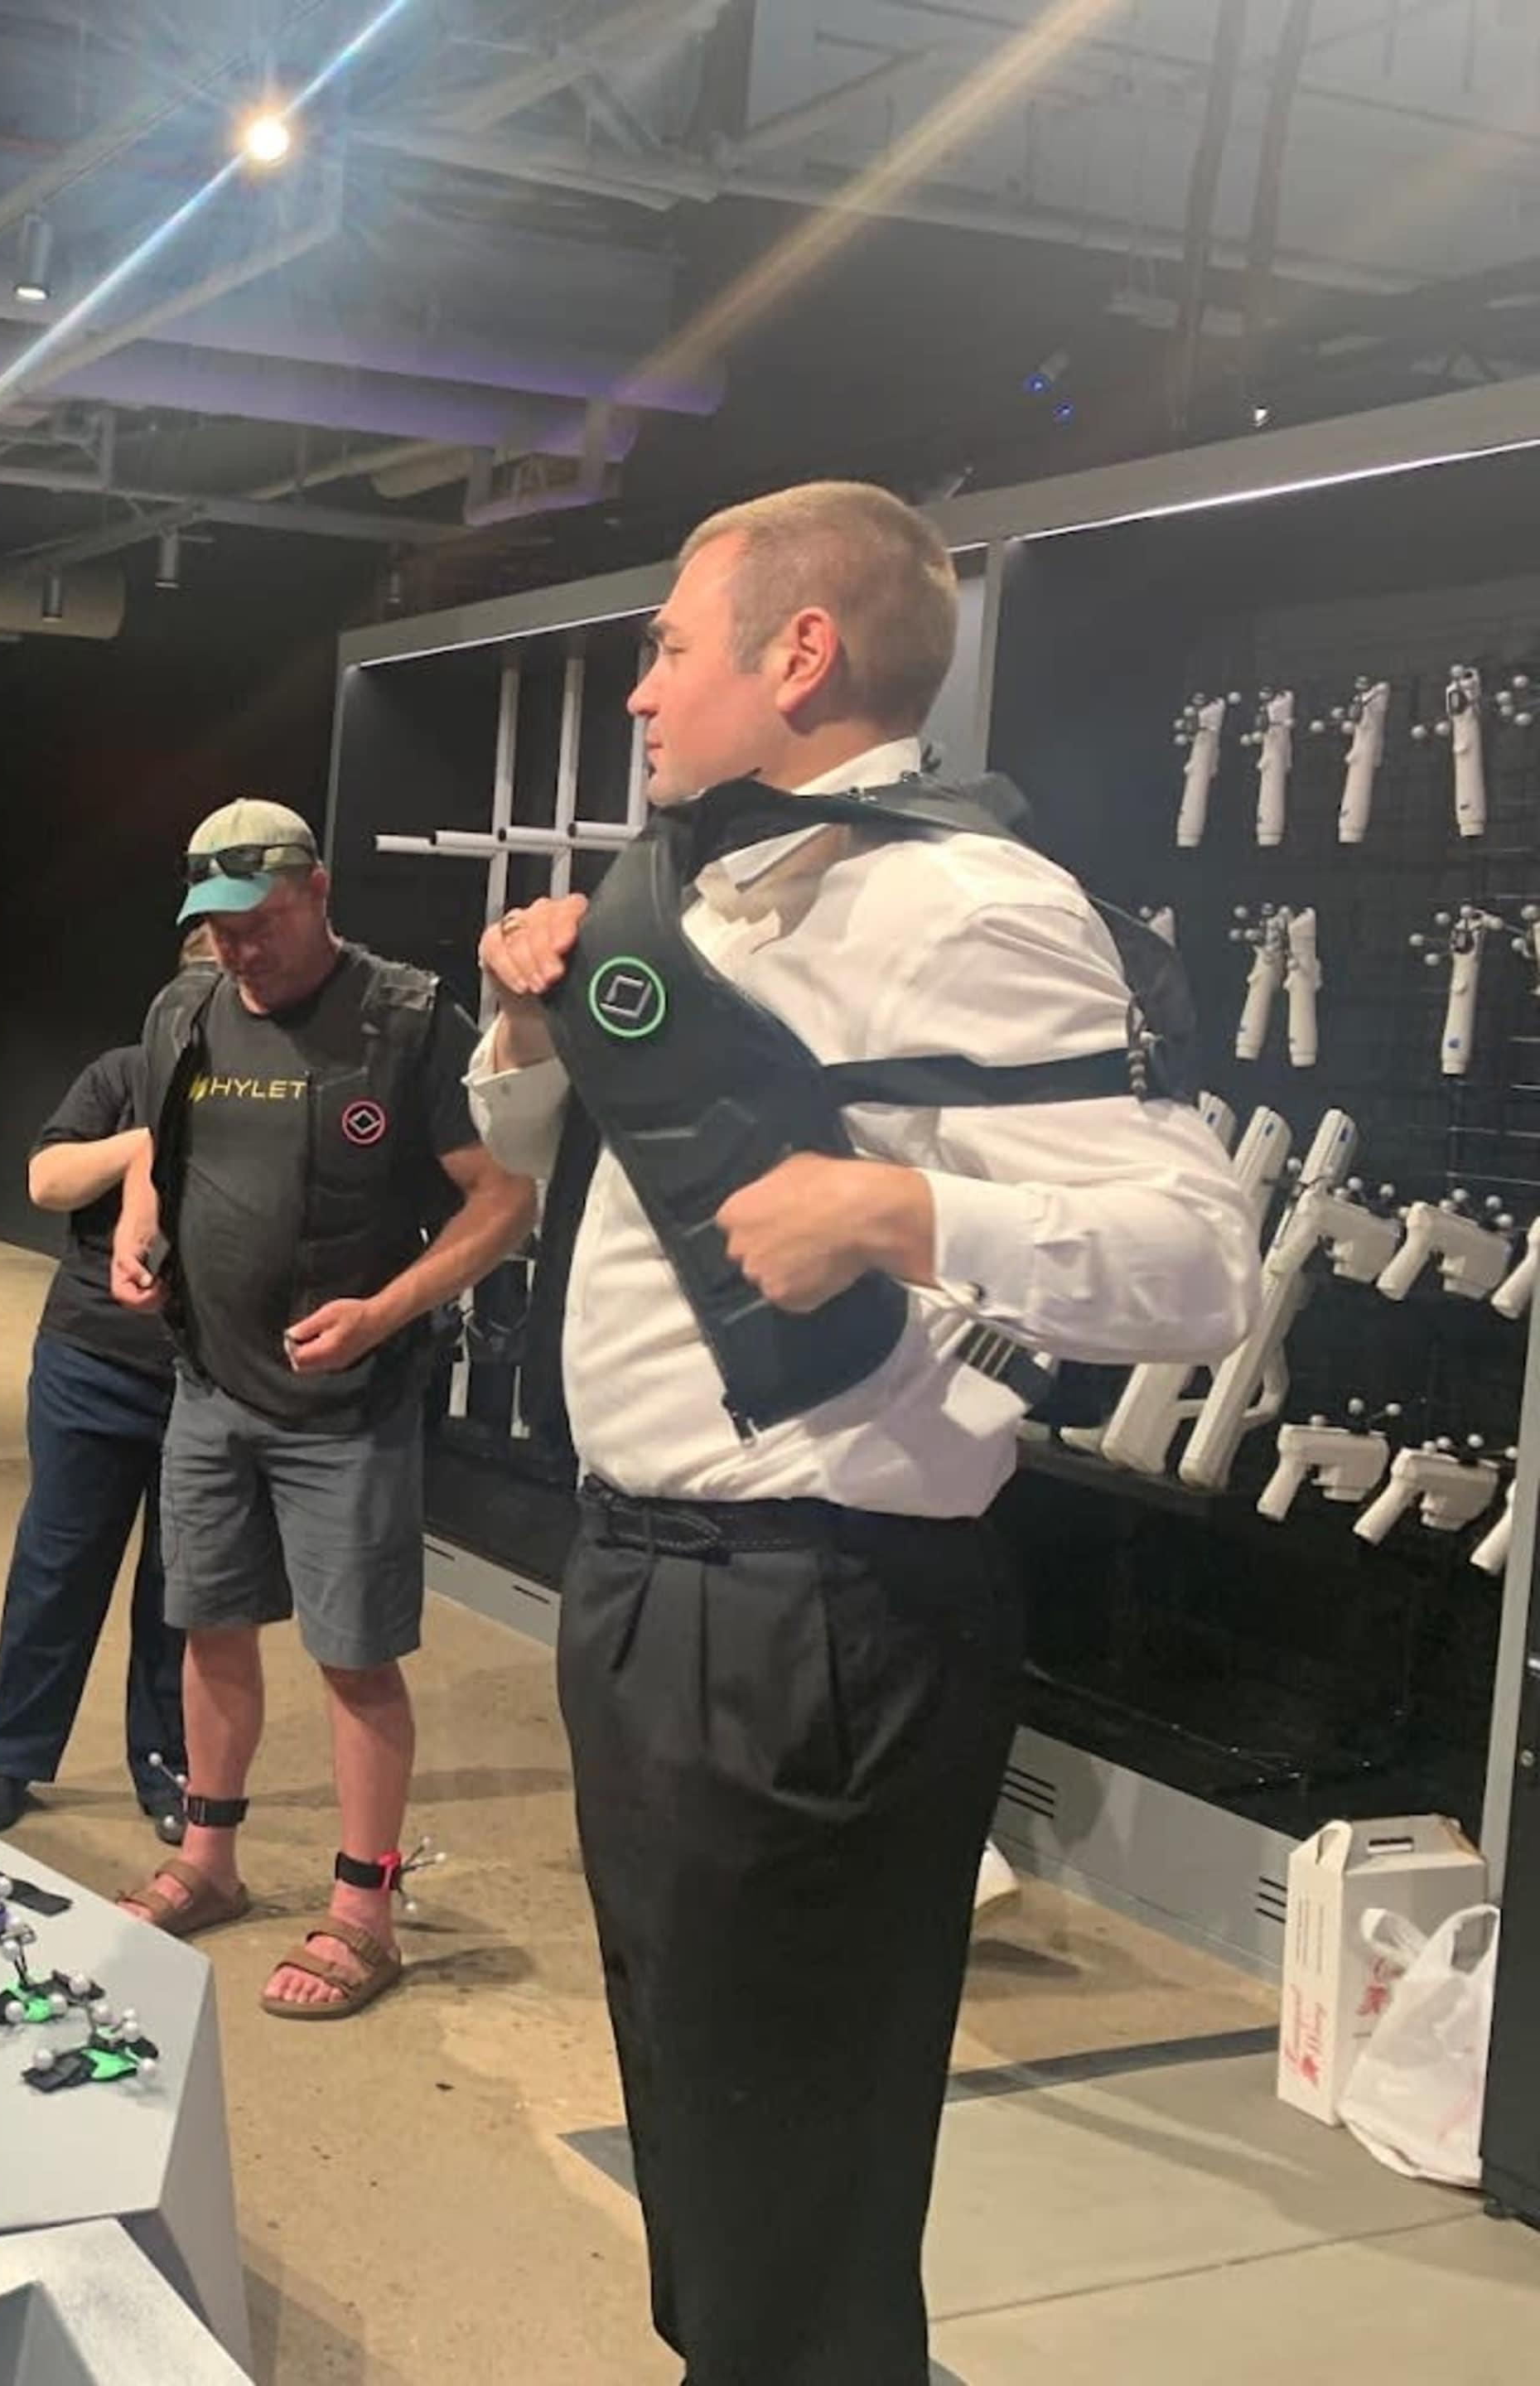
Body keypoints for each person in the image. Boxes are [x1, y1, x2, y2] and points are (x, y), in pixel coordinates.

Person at [467, 481, 1257, 2381]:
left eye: (666, 642)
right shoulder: (682, 895)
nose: (640, 692)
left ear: (796, 650)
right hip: (640, 1590)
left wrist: (900, 1214)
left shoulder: (972, 902)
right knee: (704, 2136)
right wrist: (520, 1034)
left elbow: (1194, 1261)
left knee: (792, 2181)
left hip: (815, 1615)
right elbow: (511, 1167)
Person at [110, 800, 535, 2018]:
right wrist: (142, 1226)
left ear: (317, 892)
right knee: (209, 1627)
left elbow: (505, 1199)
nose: (237, 949)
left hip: (342, 1408)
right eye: (216, 927)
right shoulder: (183, 1008)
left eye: (257, 922)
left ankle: (363, 1912)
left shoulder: (404, 1022)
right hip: (208, 1386)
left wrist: (384, 1311)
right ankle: (210, 1860)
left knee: (354, 1660)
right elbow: (157, 1139)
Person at [0, 930, 219, 1850]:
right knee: (58, 1565)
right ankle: (11, 1757)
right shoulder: (118, 1074)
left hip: (210, 1378)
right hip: (92, 1366)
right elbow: (46, 1178)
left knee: (179, 1590)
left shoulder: (269, 1092)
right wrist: (149, 1139)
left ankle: (167, 1764)